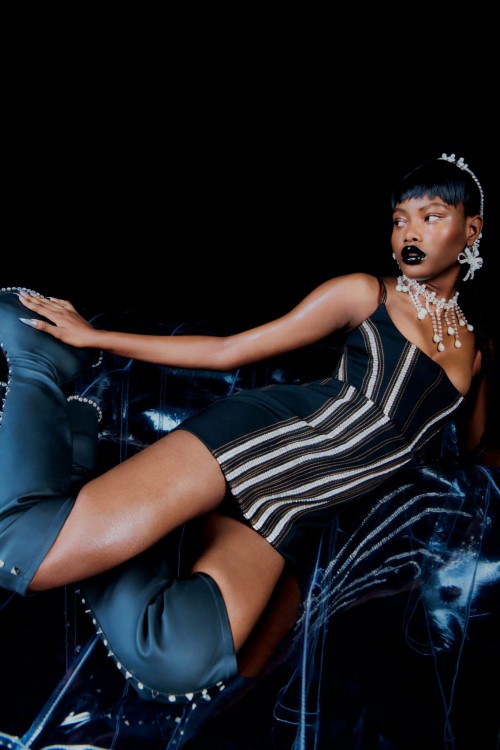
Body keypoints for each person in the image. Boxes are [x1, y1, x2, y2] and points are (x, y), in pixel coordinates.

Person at [0, 153, 493, 717]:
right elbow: (229, 350)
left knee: (179, 660)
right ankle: (37, 358)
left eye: (431, 216)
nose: (409, 232)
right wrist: (95, 339)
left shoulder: (478, 353)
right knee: (21, 553)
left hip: (289, 503)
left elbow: (477, 456)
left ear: (471, 229)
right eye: (400, 219)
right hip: (253, 441)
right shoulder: (364, 293)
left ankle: (84, 466)